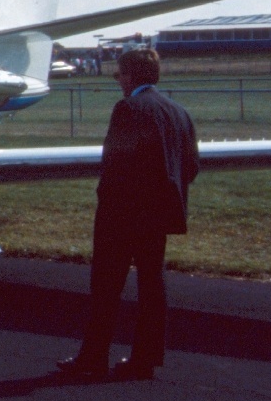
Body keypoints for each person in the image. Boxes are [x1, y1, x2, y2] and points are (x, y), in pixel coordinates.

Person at [59, 48, 198, 381]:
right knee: (152, 283)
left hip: (122, 213)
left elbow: (115, 163)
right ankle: (145, 359)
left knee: (106, 287)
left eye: (120, 75)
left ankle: (93, 358)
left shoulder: (128, 108)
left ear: (130, 76)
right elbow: (190, 166)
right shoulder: (178, 111)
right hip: (158, 214)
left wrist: (109, 202)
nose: (118, 81)